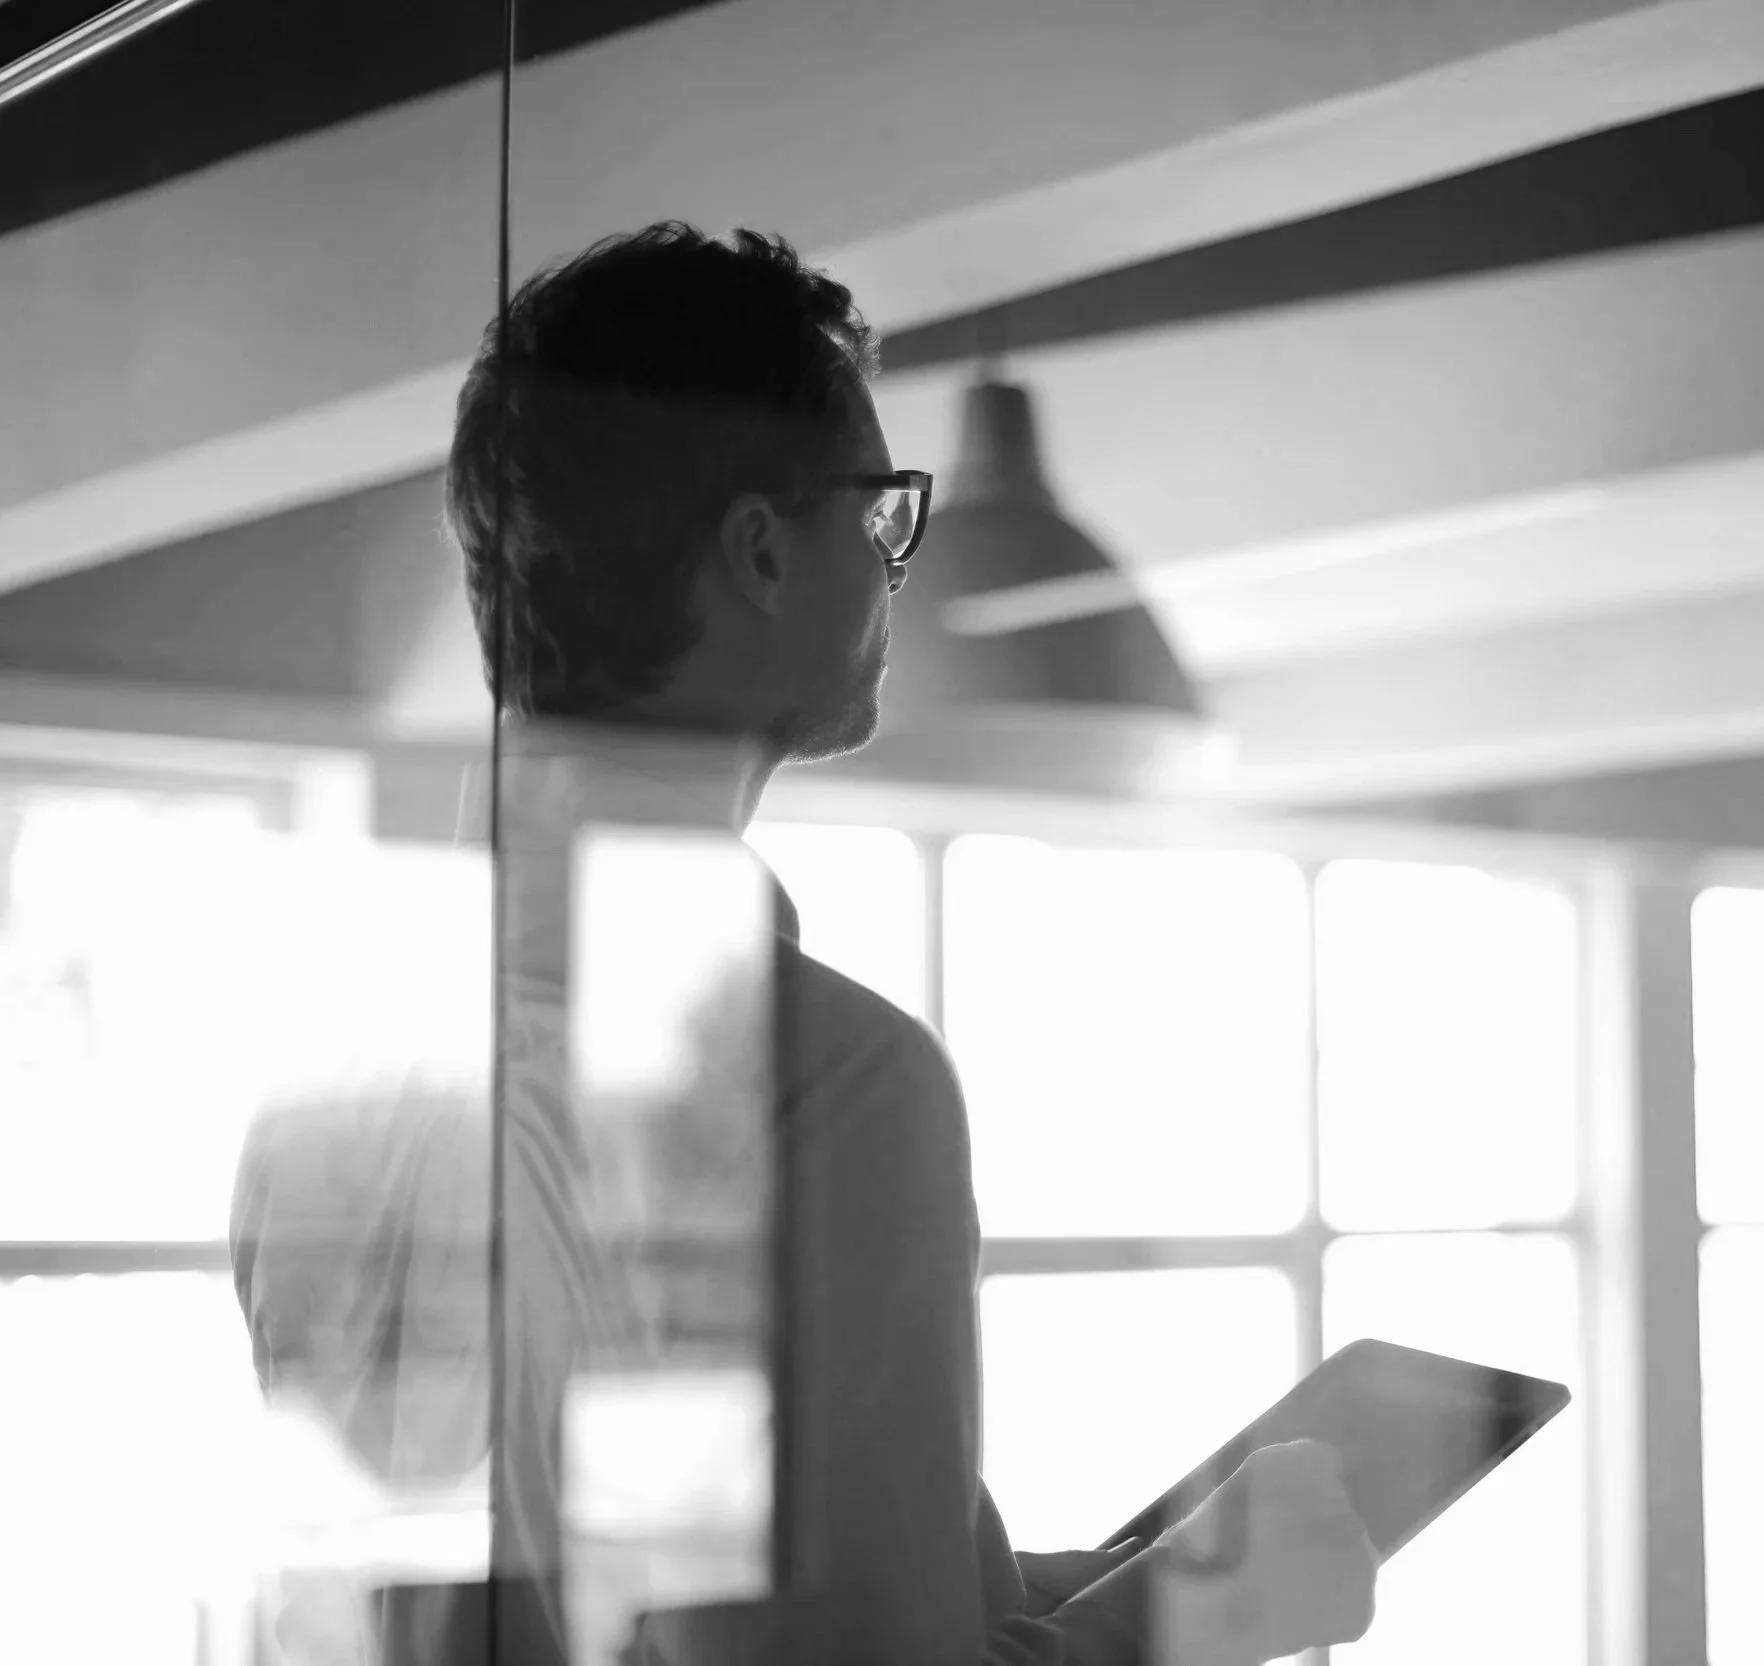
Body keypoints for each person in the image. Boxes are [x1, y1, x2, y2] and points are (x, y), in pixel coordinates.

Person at [227, 222, 1377, 1665]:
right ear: (765, 550)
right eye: (882, 513)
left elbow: (638, 1598)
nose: (899, 563)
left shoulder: (325, 1091)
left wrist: (1070, 1576)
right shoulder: (826, 1079)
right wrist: (1207, 1607)